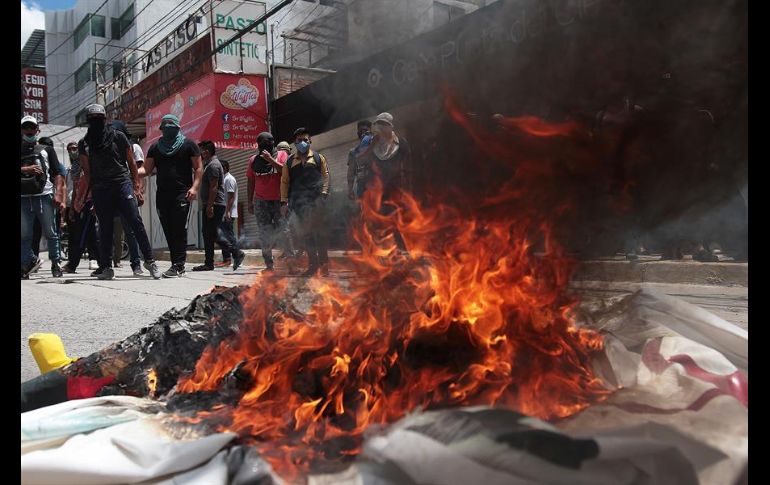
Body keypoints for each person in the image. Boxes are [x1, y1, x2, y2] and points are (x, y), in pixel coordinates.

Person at [73, 104, 160, 280]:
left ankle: (150, 261)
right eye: (93, 120)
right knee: (105, 228)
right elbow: (87, 173)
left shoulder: (118, 137)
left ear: (105, 120)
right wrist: (86, 197)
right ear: (89, 122)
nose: (96, 122)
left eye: (99, 119)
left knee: (136, 222)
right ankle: (106, 267)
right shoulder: (85, 144)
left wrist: (136, 187)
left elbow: (131, 162)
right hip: (100, 189)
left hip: (122, 184)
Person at [138, 114, 203, 278]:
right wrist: (131, 172)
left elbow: (199, 168)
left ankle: (179, 265)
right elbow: (146, 170)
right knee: (168, 230)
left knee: (179, 230)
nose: (168, 129)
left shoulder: (189, 145)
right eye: (165, 127)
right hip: (162, 196)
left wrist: (195, 188)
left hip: (182, 194)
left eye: (171, 127)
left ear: (177, 128)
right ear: (161, 129)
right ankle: (176, 264)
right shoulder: (155, 148)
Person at [280, 127, 331, 277]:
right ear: (294, 143)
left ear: (310, 141)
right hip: (299, 205)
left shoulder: (318, 158)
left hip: (317, 202)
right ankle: (313, 266)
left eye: (305, 140)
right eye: (299, 140)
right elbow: (284, 182)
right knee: (307, 235)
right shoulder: (289, 163)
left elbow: (326, 176)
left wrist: (323, 195)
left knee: (320, 234)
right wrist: (284, 202)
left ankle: (324, 266)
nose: (302, 142)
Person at [21, 116, 66, 279]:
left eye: (31, 128)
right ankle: (28, 262)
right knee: (24, 235)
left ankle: (56, 263)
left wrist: (59, 195)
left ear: (37, 130)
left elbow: (58, 173)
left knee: (50, 232)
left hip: (44, 196)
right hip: (23, 198)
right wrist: (27, 169)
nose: (28, 131)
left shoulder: (46, 149)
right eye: (25, 128)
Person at [193, 141, 242, 271]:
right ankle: (211, 262)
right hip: (212, 204)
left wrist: (209, 206)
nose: (199, 154)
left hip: (214, 204)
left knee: (212, 234)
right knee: (211, 234)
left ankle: (235, 252)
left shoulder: (214, 165)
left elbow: (214, 188)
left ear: (206, 152)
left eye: (201, 151)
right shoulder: (209, 164)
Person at [248, 132, 293, 272]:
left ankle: (291, 263)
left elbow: (286, 172)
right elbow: (251, 181)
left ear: (273, 142)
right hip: (261, 201)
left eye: (266, 143)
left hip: (278, 200)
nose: (264, 146)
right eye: (260, 144)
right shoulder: (253, 160)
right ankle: (269, 265)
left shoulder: (281, 155)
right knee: (264, 233)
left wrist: (270, 160)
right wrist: (250, 201)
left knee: (284, 230)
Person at [61, 141, 101, 274]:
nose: (73, 152)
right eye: (70, 149)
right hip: (79, 205)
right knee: (83, 235)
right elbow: (76, 190)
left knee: (85, 236)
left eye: (76, 149)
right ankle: (101, 264)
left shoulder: (90, 166)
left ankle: (74, 264)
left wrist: (95, 202)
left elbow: (94, 186)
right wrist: (72, 208)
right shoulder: (74, 168)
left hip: (89, 203)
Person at [109, 121, 143, 275]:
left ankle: (136, 264)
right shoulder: (107, 146)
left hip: (127, 190)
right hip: (111, 192)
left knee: (131, 229)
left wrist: (137, 189)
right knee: (109, 229)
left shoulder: (133, 146)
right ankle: (107, 263)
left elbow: (136, 168)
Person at [215, 160, 246, 268]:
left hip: (227, 213)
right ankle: (228, 259)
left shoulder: (229, 179)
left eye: (220, 167)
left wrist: (227, 211)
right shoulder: (224, 179)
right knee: (225, 236)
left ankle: (236, 255)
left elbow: (231, 196)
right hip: (224, 212)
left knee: (227, 236)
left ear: (225, 168)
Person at [347, 120, 373, 200]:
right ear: (358, 132)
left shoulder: (376, 146)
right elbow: (351, 172)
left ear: (370, 131)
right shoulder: (353, 152)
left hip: (376, 183)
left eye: (366, 130)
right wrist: (350, 190)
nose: (363, 133)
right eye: (361, 130)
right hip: (362, 187)